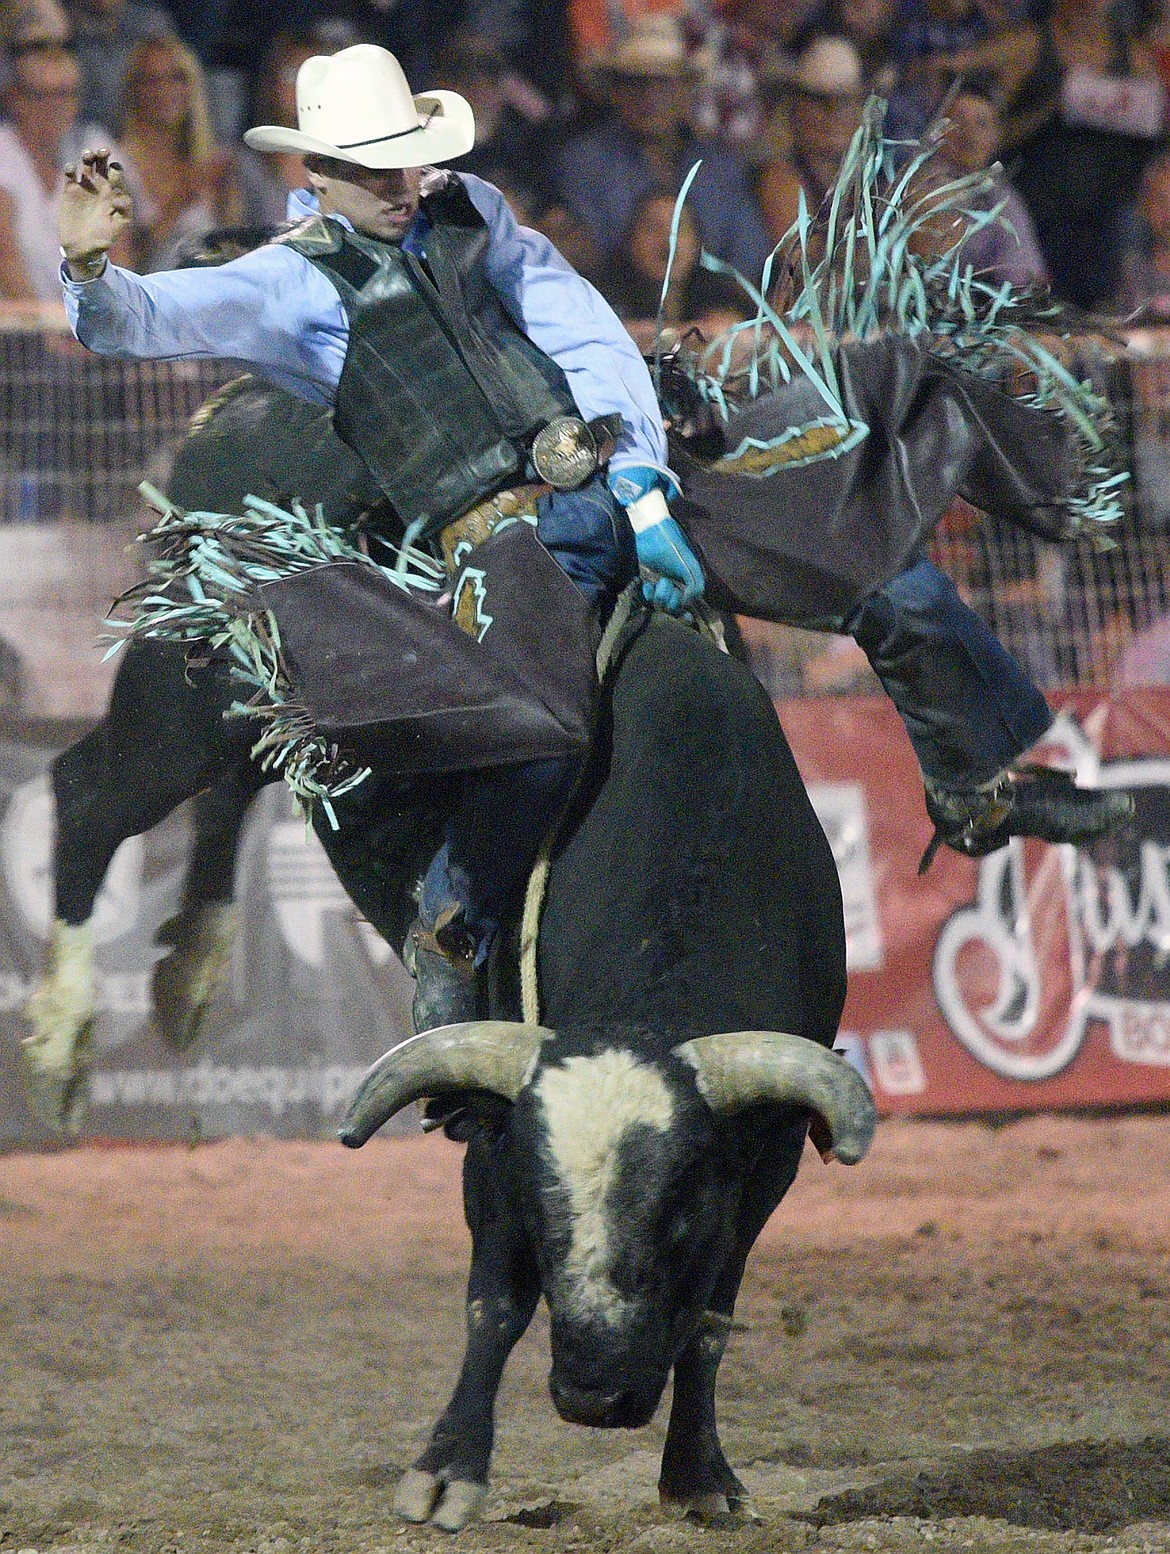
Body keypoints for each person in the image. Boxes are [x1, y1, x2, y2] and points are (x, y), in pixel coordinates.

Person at [55, 42, 705, 1038]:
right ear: (315, 174)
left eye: (403, 157)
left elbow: (585, 334)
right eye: (367, 166)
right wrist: (91, 269)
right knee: (544, 730)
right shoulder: (288, 281)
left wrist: (644, 489)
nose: (397, 184)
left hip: (591, 495)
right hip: (468, 545)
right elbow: (141, 321)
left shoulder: (473, 212)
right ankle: (456, 924)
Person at [554, 12, 774, 278]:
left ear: (686, 90)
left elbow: (749, 259)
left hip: (712, 311)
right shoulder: (584, 161)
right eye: (637, 83)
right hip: (616, 309)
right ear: (616, 91)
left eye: (664, 83)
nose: (650, 96)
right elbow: (587, 258)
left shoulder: (721, 165)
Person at [0, 41, 132, 300]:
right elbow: (5, 258)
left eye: (64, 94)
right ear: (15, 98)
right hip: (18, 328)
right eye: (41, 95)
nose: (54, 106)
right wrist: (48, 333)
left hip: (85, 325)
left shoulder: (95, 147)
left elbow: (118, 253)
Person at [117, 32, 240, 271]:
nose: (165, 89)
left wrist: (227, 202)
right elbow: (123, 263)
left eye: (177, 78)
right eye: (152, 80)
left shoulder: (209, 162)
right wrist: (181, 200)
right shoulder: (118, 164)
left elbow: (234, 257)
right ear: (132, 89)